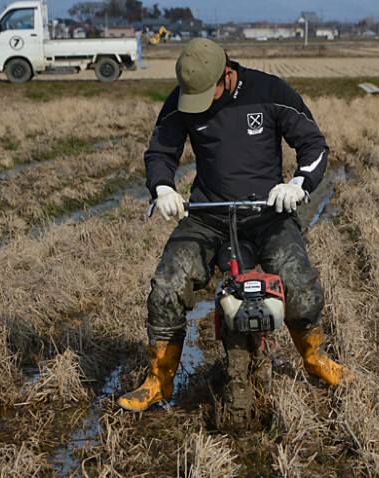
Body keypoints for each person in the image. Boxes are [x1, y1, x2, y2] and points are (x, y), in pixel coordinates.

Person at [117, 38, 353, 412]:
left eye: (205, 94)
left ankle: (315, 358)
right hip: (208, 214)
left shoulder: (269, 92)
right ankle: (159, 380)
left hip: (267, 214)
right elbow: (161, 151)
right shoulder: (184, 99)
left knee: (300, 282)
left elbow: (313, 145)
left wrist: (297, 184)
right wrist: (162, 188)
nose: (198, 104)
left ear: (226, 74)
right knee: (167, 284)